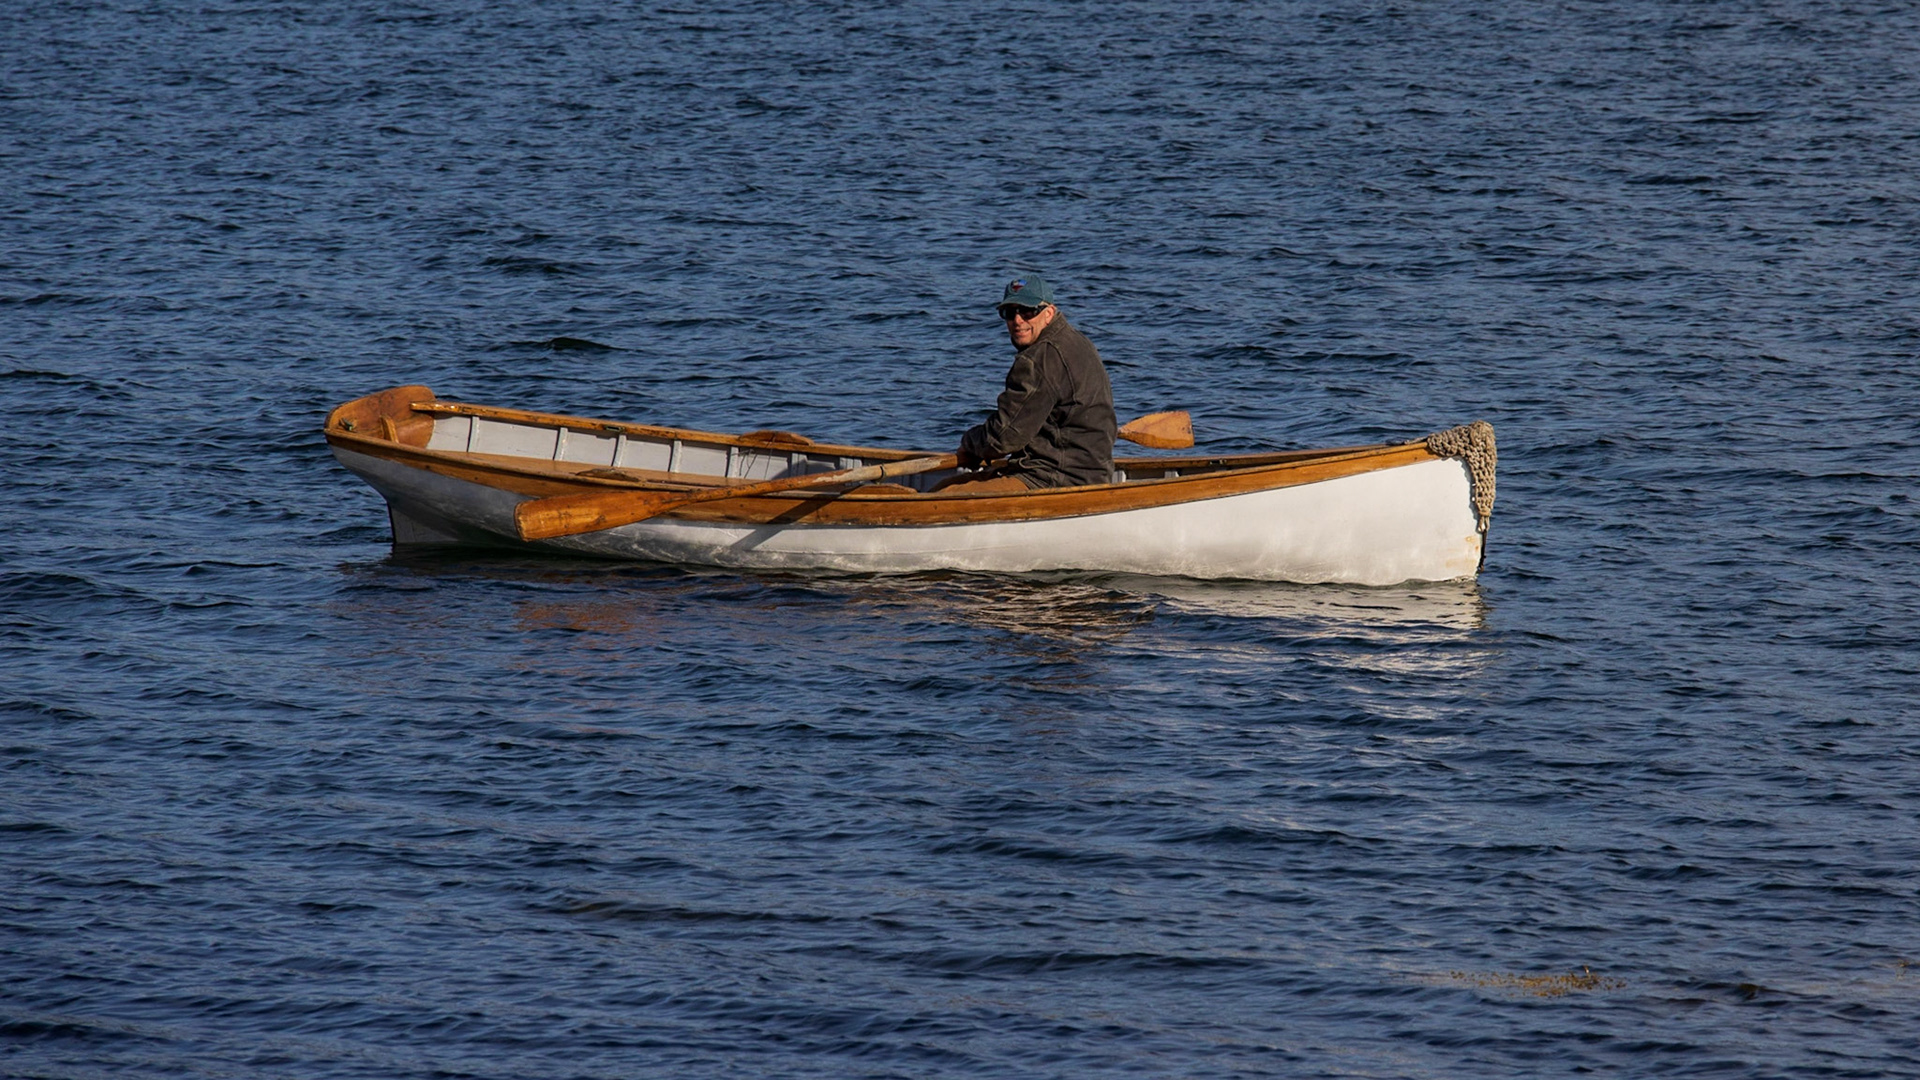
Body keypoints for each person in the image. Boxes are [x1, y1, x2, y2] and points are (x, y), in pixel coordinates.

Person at [940, 274, 1117, 493]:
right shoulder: (1078, 341)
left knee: (943, 496)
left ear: (1049, 313)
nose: (1017, 320)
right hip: (1094, 474)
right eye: (1009, 313)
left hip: (1053, 479)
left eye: (1027, 311)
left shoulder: (1038, 360)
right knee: (946, 485)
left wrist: (970, 444)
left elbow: (1005, 437)